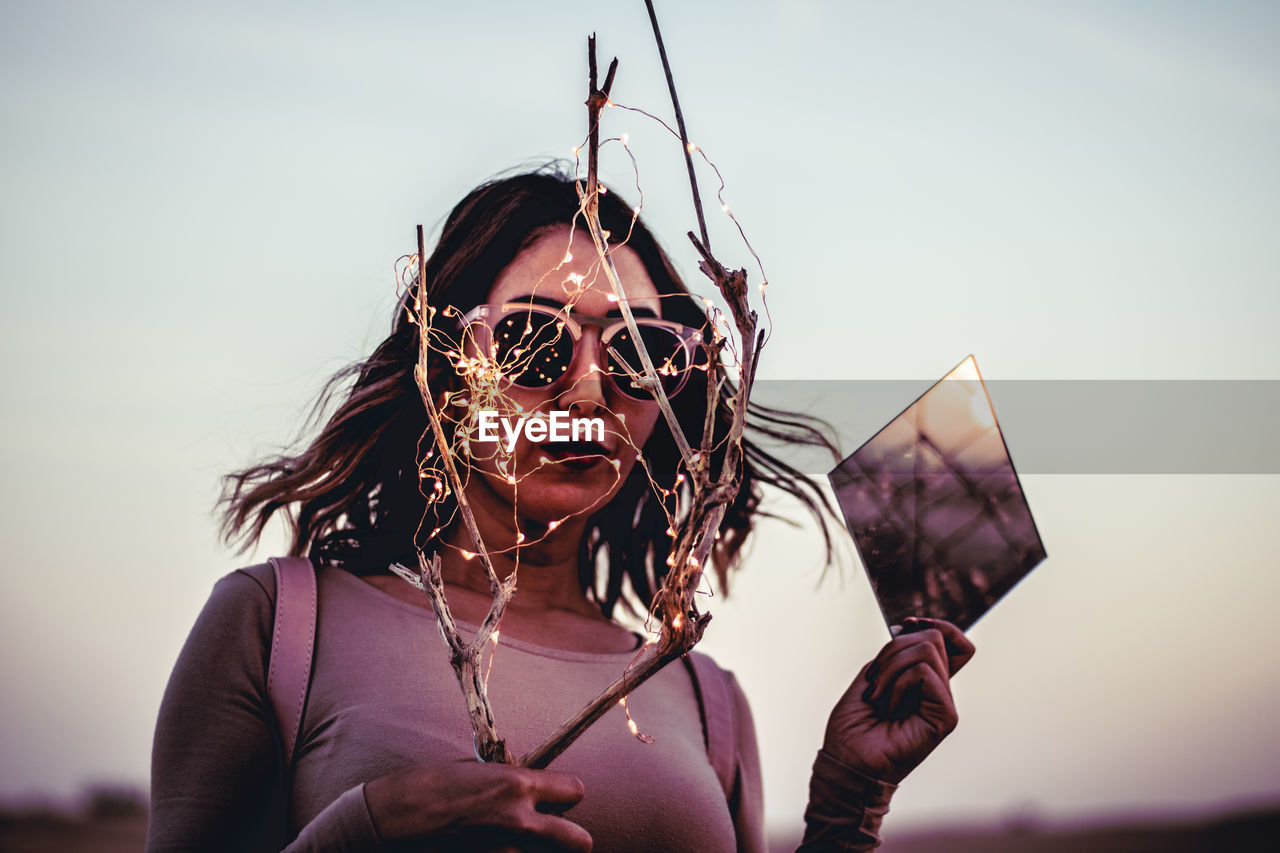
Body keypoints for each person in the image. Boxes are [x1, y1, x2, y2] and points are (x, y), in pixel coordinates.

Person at [147, 166, 975, 852]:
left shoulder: (701, 695)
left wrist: (846, 807)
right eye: (534, 339)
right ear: (444, 361)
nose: (587, 386)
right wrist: (359, 832)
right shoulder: (282, 627)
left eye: (639, 351)